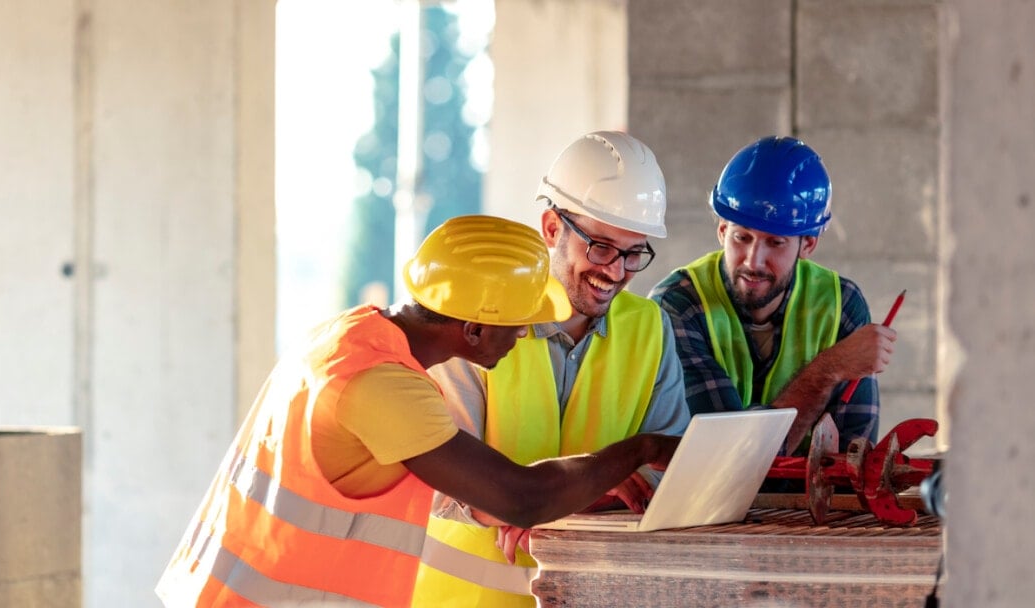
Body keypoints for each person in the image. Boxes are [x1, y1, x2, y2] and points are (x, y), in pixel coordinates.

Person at [155, 215, 680, 608]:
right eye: (520, 322)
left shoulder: (351, 335)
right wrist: (643, 448)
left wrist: (584, 491)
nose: (525, 335)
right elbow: (521, 497)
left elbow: (491, 499)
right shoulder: (383, 386)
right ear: (473, 328)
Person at [412, 132, 692, 608]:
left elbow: (666, 476)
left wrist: (564, 497)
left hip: (592, 595)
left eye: (633, 253)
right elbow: (444, 484)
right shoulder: (477, 318)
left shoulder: (651, 329)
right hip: (469, 597)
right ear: (550, 228)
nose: (617, 271)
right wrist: (594, 481)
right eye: (601, 246)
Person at [649, 135, 895, 459]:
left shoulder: (841, 305)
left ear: (807, 245)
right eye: (742, 237)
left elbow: (852, 463)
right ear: (722, 231)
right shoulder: (676, 306)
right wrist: (826, 372)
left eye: (775, 242)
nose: (753, 260)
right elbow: (728, 460)